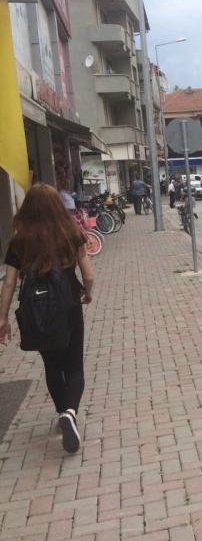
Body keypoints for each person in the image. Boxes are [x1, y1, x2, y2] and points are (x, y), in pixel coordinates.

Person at [0, 183, 95, 453]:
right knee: (74, 365)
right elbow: (89, 275)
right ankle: (69, 413)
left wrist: (3, 318)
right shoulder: (71, 234)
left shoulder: (20, 240)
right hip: (68, 307)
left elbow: (9, 284)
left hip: (37, 312)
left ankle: (62, 412)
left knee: (52, 366)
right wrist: (87, 294)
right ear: (57, 207)